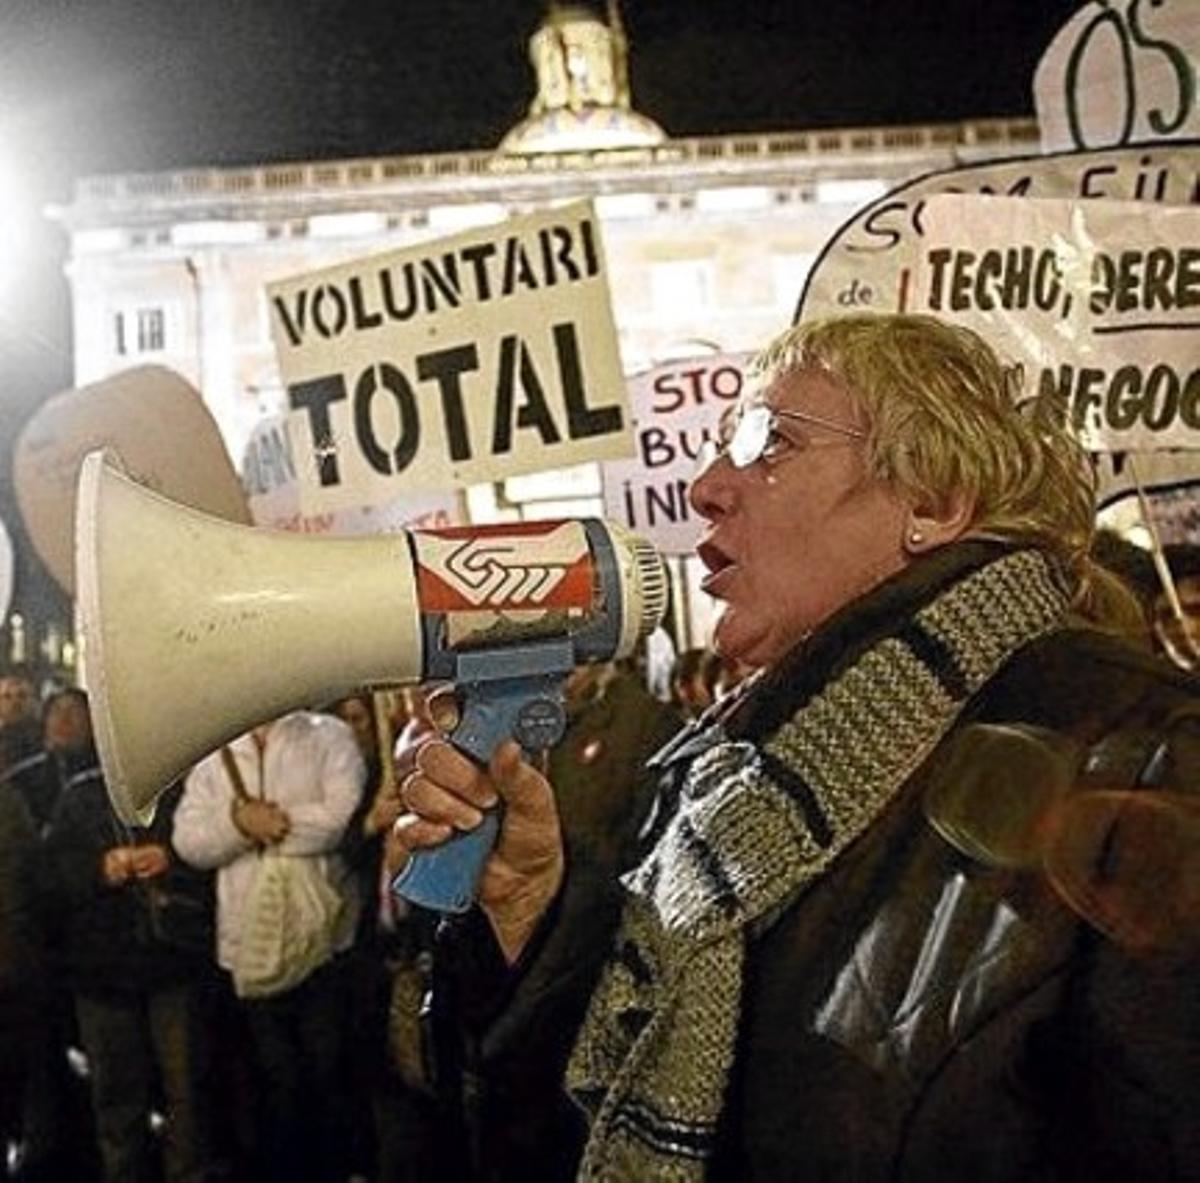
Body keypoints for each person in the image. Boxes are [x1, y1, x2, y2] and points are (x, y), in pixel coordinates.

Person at [385, 313, 1199, 1181]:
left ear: (930, 500)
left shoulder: (1149, 747)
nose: (705, 487)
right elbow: (596, 1106)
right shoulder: (719, 768)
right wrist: (532, 915)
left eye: (769, 440)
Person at [173, 709, 365, 1183]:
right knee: (269, 1078)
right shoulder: (212, 750)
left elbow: (339, 818)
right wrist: (238, 824)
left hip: (320, 938)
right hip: (249, 938)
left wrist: (268, 825)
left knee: (325, 1074)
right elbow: (189, 841)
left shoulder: (328, 735)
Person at [40, 689, 221, 1183]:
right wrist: (100, 868)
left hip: (169, 963)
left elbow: (207, 857)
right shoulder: (78, 797)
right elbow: (51, 876)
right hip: (102, 973)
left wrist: (172, 859)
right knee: (117, 1098)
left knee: (187, 1091)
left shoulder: (178, 792)